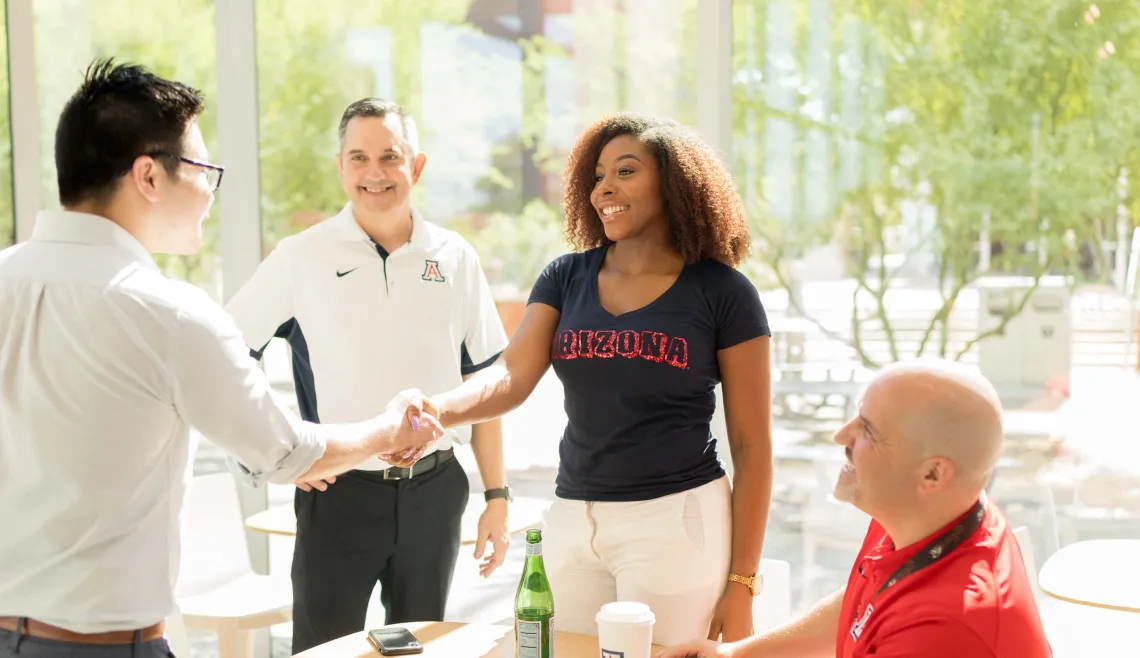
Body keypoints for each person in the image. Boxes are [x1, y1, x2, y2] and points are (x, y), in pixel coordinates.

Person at [0, 61, 442, 658]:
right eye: (205, 169)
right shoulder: (169, 313)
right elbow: (287, 452)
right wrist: (394, 426)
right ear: (149, 176)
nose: (210, 190)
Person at [418, 113, 774, 646]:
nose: (604, 188)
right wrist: (436, 410)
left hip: (674, 521)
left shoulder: (723, 293)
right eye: (599, 175)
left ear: (674, 183)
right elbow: (511, 376)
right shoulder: (566, 277)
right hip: (572, 517)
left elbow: (752, 445)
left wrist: (743, 583)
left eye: (626, 171)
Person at [225, 98, 511, 654]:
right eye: (359, 157)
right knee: (324, 651)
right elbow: (229, 355)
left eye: (390, 156)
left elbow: (484, 386)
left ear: (417, 166)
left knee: (421, 647)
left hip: (436, 493)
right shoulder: (299, 257)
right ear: (340, 166)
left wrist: (495, 495)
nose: (374, 172)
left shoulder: (455, 258)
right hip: (338, 493)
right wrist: (278, 452)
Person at [657, 359, 1053, 658]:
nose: (841, 436)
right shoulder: (932, 514)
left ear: (933, 474)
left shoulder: (947, 627)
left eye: (868, 430)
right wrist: (734, 654)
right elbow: (870, 600)